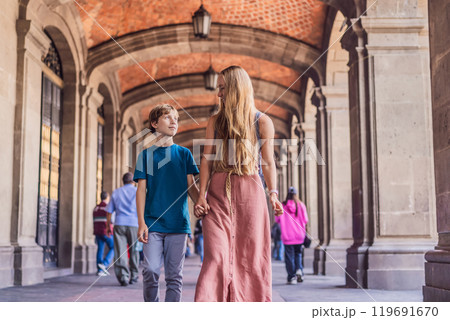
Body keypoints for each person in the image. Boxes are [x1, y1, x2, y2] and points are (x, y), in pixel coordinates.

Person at [194, 66, 284, 302]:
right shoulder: (215, 121)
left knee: (251, 257)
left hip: (250, 191)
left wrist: (273, 193)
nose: (219, 94)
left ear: (236, 89)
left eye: (222, 88)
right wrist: (201, 195)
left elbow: (267, 162)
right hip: (217, 193)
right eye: (218, 89)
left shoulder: (263, 122)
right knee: (215, 256)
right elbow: (206, 159)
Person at [134, 104, 200, 302]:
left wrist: (202, 204)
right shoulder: (145, 155)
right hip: (152, 223)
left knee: (174, 277)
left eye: (176, 119)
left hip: (178, 224)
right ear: (154, 124)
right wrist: (141, 223)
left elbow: (191, 187)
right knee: (150, 270)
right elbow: (141, 191)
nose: (173, 122)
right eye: (167, 117)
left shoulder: (184, 154)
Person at [106, 172, 139, 286]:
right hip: (134, 224)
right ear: (133, 181)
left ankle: (123, 277)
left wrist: (107, 226)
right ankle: (134, 275)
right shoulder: (137, 191)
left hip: (119, 223)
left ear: (123, 181)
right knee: (134, 250)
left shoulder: (116, 192)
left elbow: (109, 211)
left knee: (120, 251)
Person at [275, 186, 309, 284]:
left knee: (289, 257)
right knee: (298, 254)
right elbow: (305, 220)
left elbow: (277, 219)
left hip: (287, 236)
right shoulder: (301, 205)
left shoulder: (282, 206)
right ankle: (299, 270)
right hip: (299, 235)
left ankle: (292, 277)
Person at [93, 191, 114, 276]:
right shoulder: (107, 207)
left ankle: (99, 270)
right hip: (105, 231)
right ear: (107, 198)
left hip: (97, 231)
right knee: (114, 247)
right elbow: (111, 220)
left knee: (100, 249)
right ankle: (104, 264)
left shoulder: (96, 208)